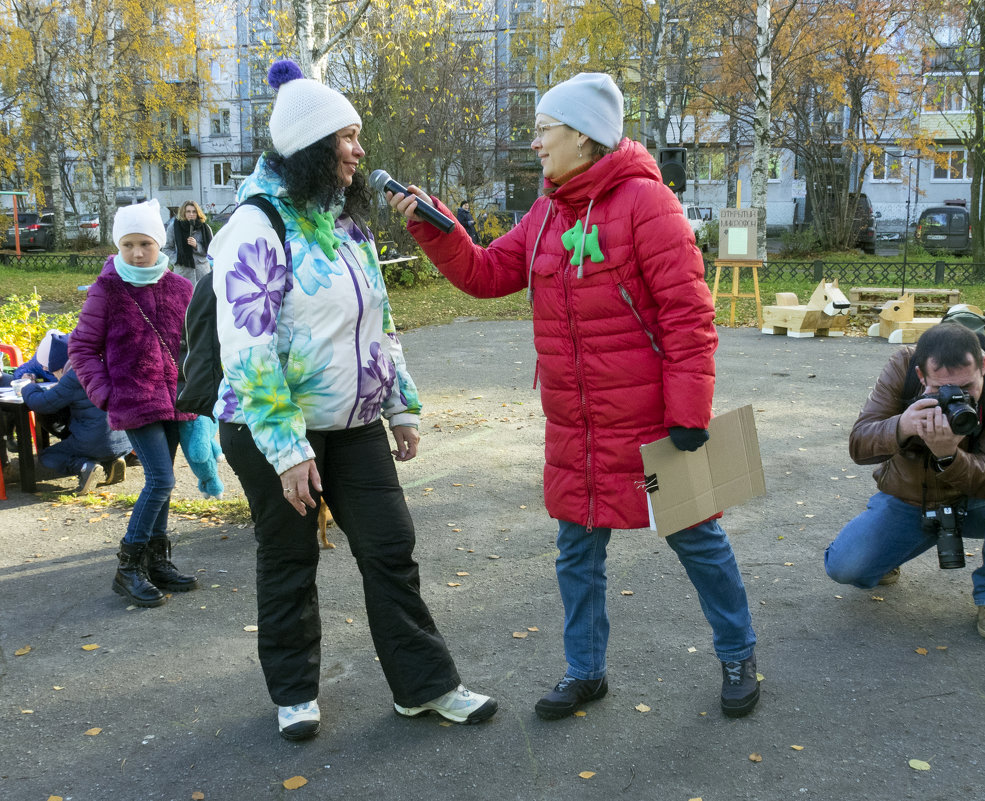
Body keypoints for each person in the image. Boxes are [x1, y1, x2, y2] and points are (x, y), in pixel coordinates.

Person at [387, 72, 760, 720]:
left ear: (584, 137)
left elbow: (688, 316)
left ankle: (738, 651)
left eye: (544, 131)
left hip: (654, 422)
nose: (535, 144)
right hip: (577, 427)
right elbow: (485, 272)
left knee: (699, 540)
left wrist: (690, 413)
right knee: (576, 552)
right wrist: (436, 226)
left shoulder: (649, 204)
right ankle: (585, 671)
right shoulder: (547, 214)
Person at [209, 59, 497, 741]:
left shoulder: (349, 225)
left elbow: (380, 322)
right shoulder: (256, 226)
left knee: (390, 545)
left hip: (355, 421)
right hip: (270, 429)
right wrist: (286, 451)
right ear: (312, 144)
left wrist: (399, 405)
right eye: (347, 137)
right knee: (289, 556)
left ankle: (425, 687)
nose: (360, 151)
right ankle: (293, 692)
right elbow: (246, 352)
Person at [825, 323, 985, 640]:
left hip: (977, 501)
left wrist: (949, 454)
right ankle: (894, 552)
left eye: (968, 387)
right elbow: (858, 447)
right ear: (921, 376)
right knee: (844, 567)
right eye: (941, 390)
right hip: (911, 501)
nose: (957, 397)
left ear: (983, 364)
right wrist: (901, 426)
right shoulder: (902, 367)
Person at [68, 199, 200, 608]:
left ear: (160, 244)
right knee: (161, 480)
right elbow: (82, 347)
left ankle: (157, 562)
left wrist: (198, 383)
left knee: (161, 484)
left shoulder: (181, 287)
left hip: (178, 398)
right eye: (128, 244)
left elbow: (196, 343)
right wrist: (106, 394)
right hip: (134, 400)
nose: (137, 253)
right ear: (117, 246)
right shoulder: (107, 289)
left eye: (145, 243)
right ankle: (127, 568)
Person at [19, 330, 131, 494]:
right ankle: (114, 461)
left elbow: (42, 404)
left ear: (62, 365)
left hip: (94, 441)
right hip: (127, 439)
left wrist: (28, 386)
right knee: (98, 442)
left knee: (48, 456)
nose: (56, 376)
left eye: (54, 372)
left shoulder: (75, 376)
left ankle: (85, 466)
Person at [163, 200, 213, 285]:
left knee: (202, 297)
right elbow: (167, 249)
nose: (191, 214)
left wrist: (197, 246)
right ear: (183, 213)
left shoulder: (205, 228)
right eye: (188, 211)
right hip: (183, 273)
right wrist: (177, 260)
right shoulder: (174, 227)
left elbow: (212, 249)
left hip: (202, 272)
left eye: (194, 211)